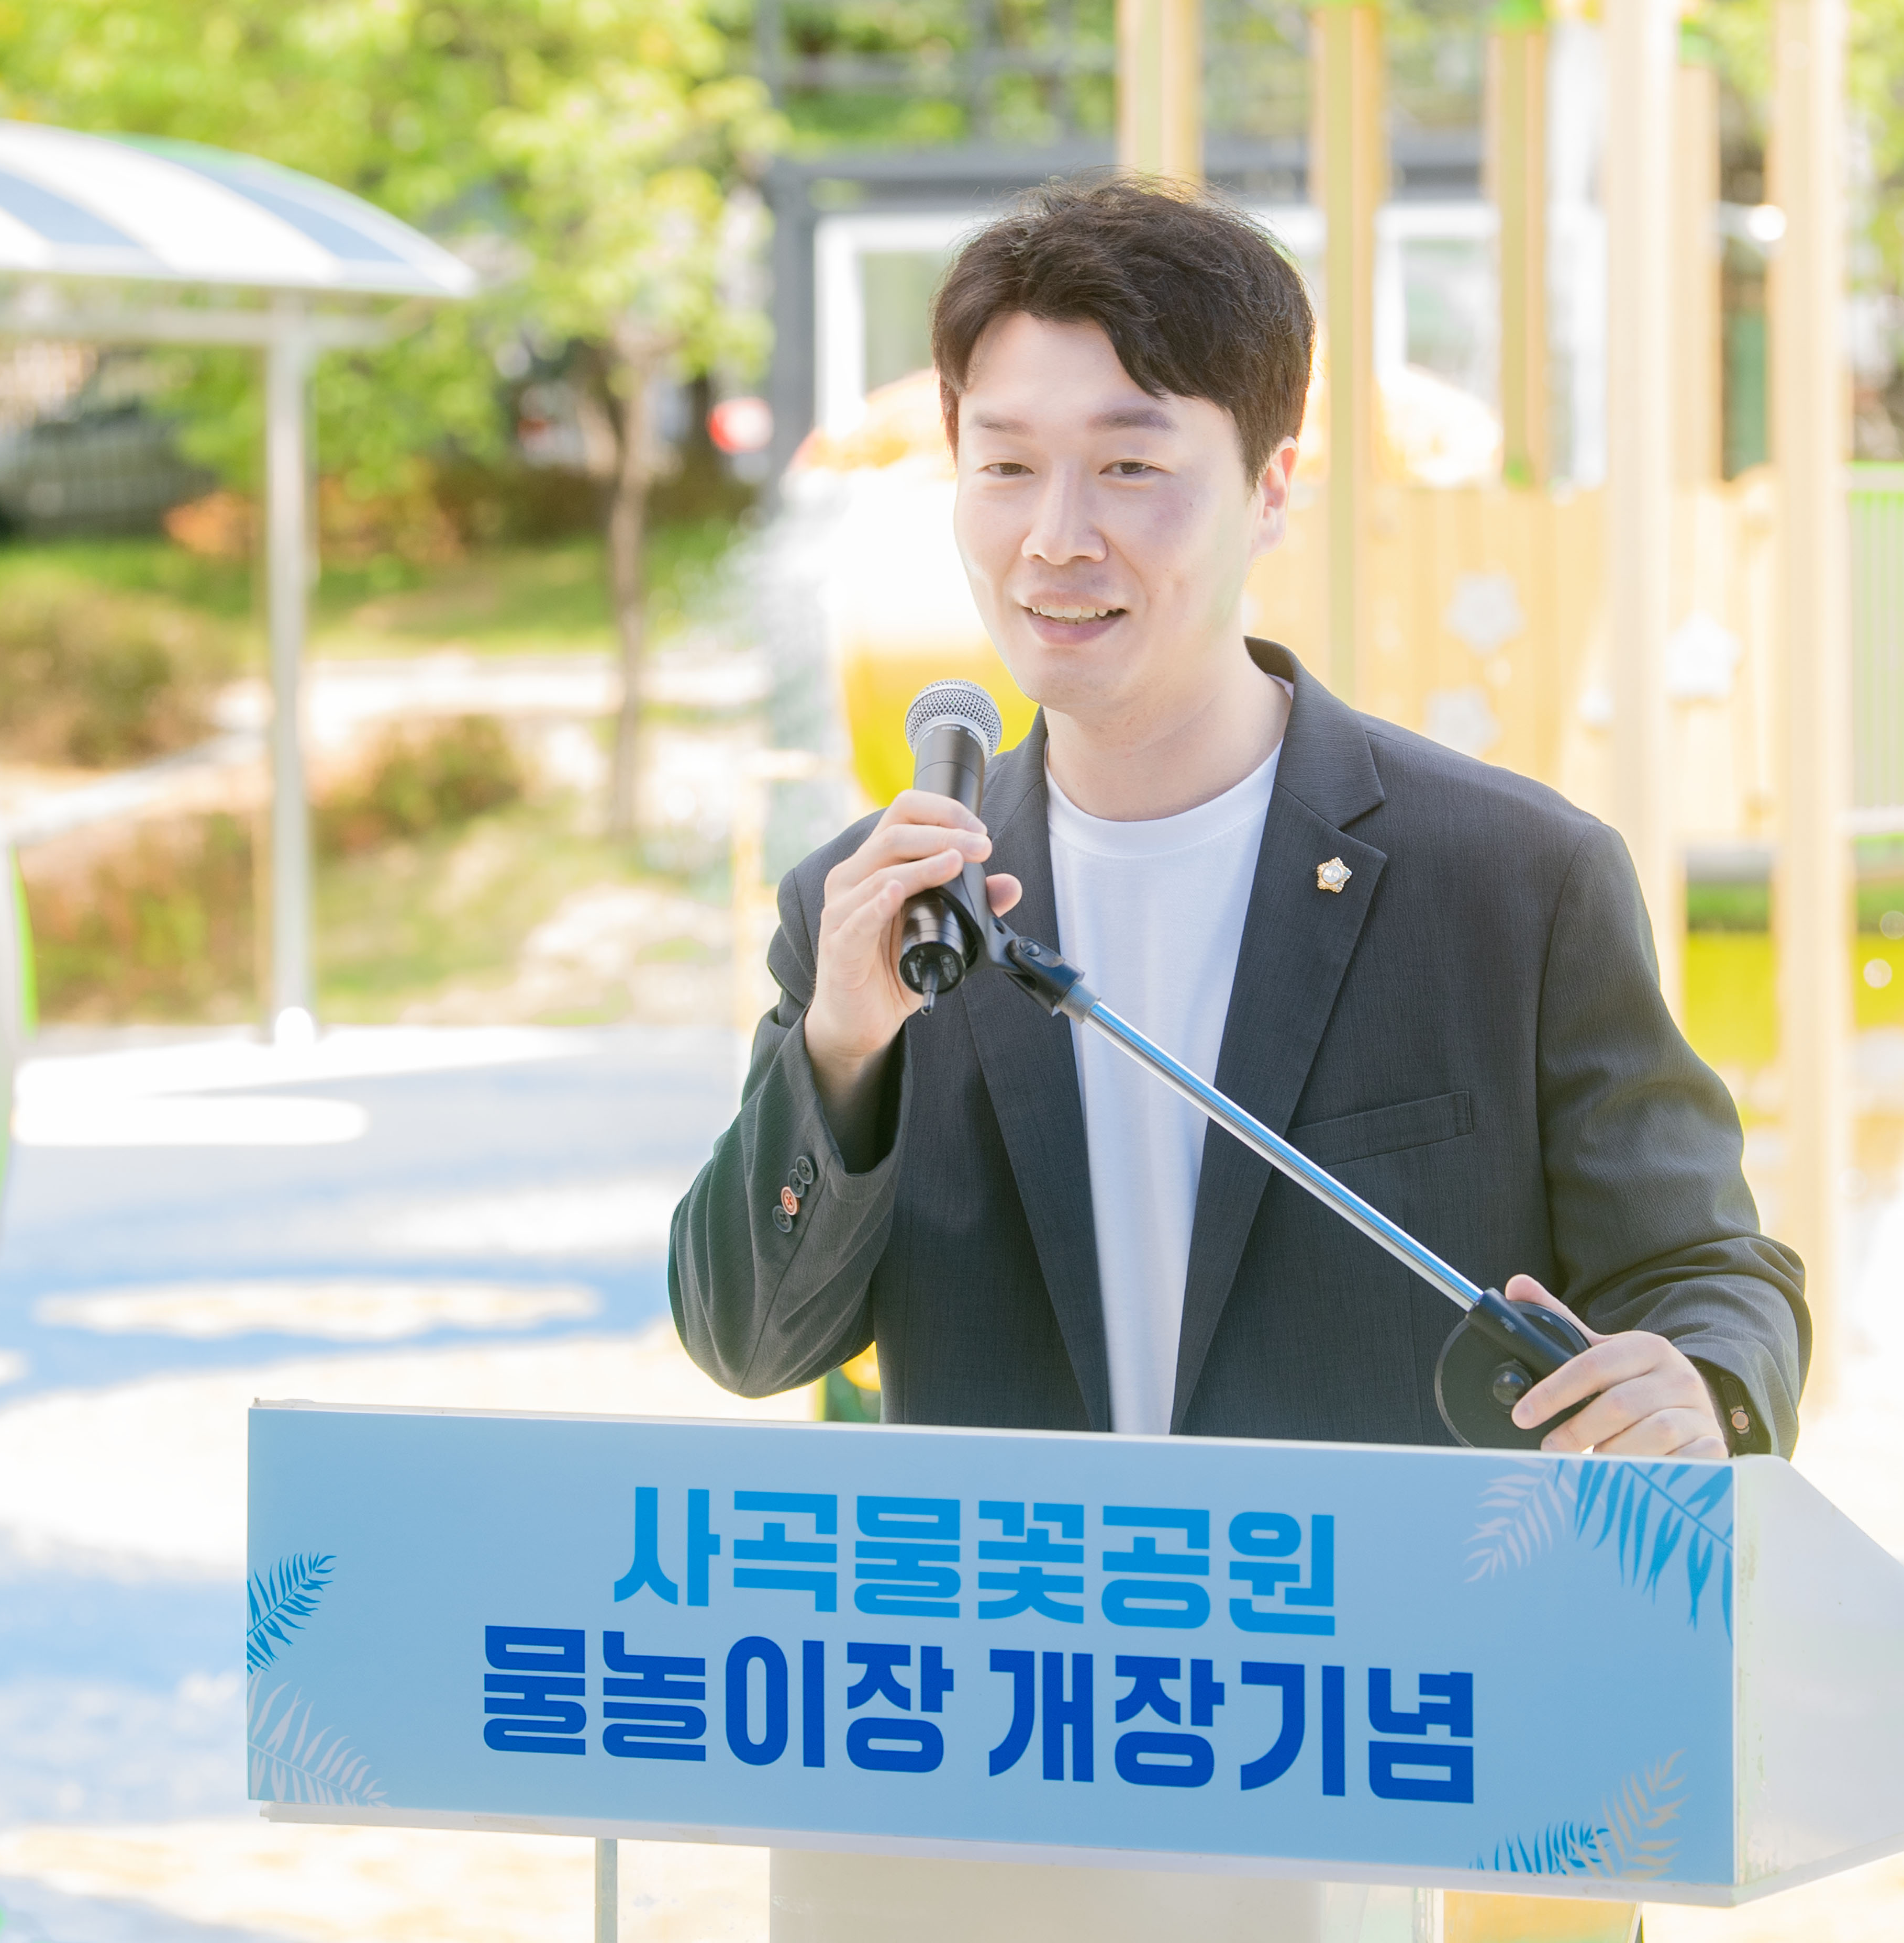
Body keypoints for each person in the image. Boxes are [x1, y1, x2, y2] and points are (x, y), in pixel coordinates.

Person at [672, 177, 1807, 1458]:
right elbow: (745, 1340)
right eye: (1006, 466)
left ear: (1271, 489)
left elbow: (1708, 1272)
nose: (1055, 537)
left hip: (1380, 1595)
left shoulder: (1518, 880)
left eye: (1131, 465)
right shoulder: (876, 912)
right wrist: (840, 1048)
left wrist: (1699, 1384)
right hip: (1027, 1597)